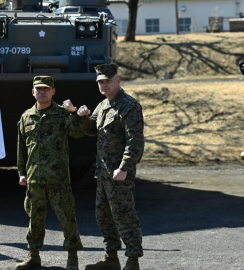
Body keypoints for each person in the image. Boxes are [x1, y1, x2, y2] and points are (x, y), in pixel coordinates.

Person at [62, 64, 144, 270]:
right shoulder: (103, 106)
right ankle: (111, 257)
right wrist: (77, 114)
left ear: (118, 80)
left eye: (107, 81)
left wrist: (125, 167)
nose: (103, 85)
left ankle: (132, 260)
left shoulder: (129, 106)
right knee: (103, 215)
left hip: (119, 173)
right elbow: (89, 131)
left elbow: (135, 141)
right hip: (104, 173)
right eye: (100, 82)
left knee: (124, 214)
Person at [16, 75, 83, 270]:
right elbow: (21, 148)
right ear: (33, 92)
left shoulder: (62, 114)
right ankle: (33, 255)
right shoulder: (26, 117)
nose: (42, 92)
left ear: (53, 91)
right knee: (35, 219)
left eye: (46, 89)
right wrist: (22, 172)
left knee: (67, 218)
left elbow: (77, 132)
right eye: (39, 89)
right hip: (34, 178)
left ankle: (72, 258)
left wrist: (75, 113)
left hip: (58, 178)